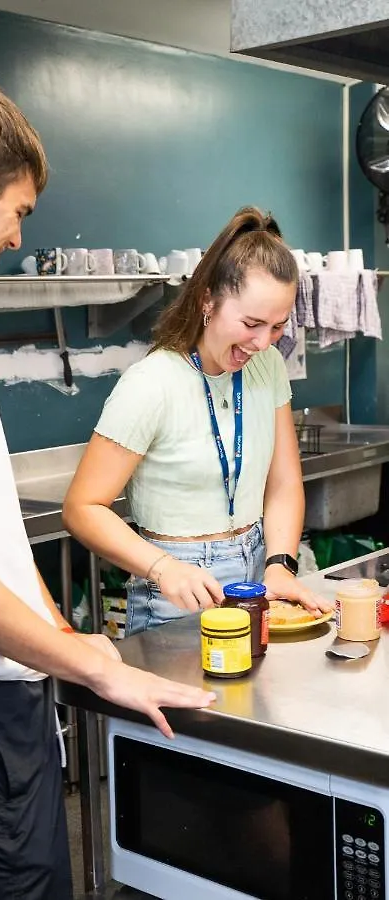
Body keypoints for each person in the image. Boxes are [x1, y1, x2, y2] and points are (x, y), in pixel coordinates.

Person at [0, 77, 216, 900]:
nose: (14, 232)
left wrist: (68, 638)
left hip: (11, 676)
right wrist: (89, 666)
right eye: (18, 210)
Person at [63, 207, 333, 635]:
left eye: (278, 326)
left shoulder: (268, 369)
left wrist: (280, 564)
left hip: (257, 571)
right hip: (178, 593)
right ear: (208, 300)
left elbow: (283, 483)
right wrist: (163, 568)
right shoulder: (152, 383)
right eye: (251, 323)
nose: (263, 342)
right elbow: (82, 508)